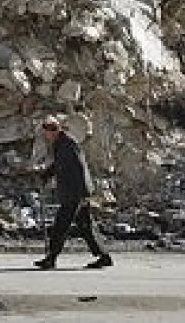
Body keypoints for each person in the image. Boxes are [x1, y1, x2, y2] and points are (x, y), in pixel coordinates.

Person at [34, 115, 114, 270]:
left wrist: (83, 195)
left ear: (55, 130)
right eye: (46, 130)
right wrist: (47, 174)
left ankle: (51, 258)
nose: (47, 134)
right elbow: (59, 164)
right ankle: (104, 256)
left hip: (75, 193)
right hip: (74, 192)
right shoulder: (60, 144)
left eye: (49, 130)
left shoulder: (68, 144)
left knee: (61, 225)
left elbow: (79, 169)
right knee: (86, 226)